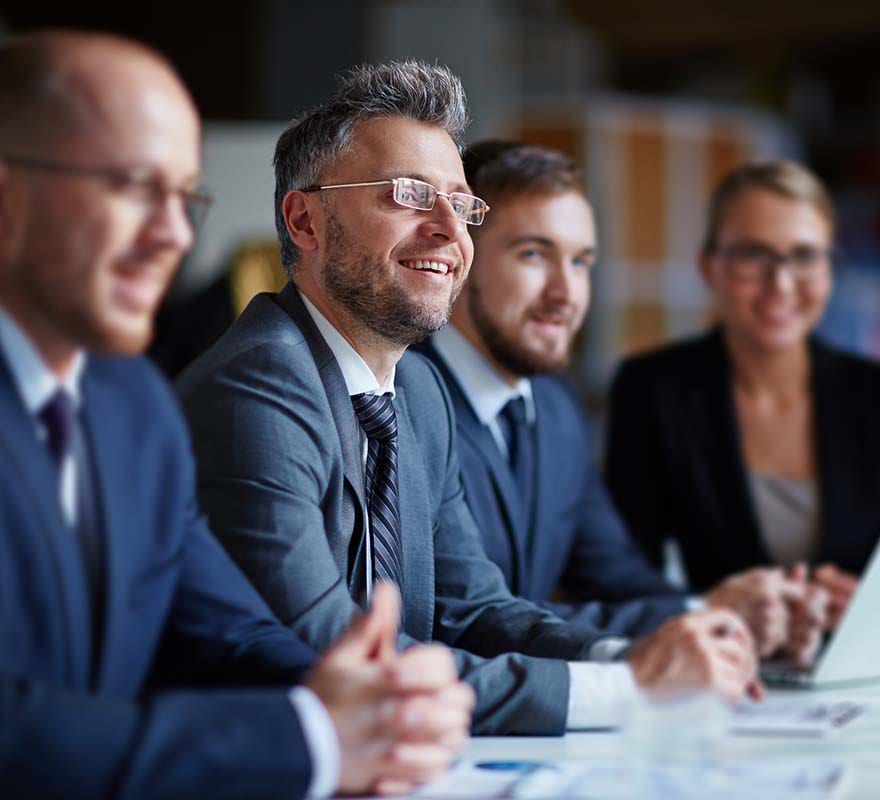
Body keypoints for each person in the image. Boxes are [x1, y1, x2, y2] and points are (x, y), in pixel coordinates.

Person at [178, 60, 760, 738]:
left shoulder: (418, 391)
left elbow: (474, 609)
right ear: (305, 222)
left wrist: (634, 661)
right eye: (407, 195)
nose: (450, 233)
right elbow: (339, 660)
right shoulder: (259, 387)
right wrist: (627, 694)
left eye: (459, 204)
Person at [0, 30, 473, 799]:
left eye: (183, 197)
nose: (174, 236)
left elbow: (225, 629)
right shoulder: (244, 381)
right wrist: (311, 739)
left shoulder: (131, 404)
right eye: (130, 187)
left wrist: (372, 703)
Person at [418, 140, 825, 662]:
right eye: (533, 255)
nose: (566, 293)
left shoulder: (558, 410)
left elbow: (616, 578)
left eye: (582, 261)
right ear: (459, 256)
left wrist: (730, 616)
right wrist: (699, 619)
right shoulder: (403, 396)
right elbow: (466, 618)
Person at [607, 160, 877, 634]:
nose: (782, 283)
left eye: (805, 255)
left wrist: (870, 612)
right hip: (723, 667)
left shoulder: (872, 394)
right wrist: (709, 608)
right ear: (709, 266)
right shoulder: (653, 388)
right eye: (754, 254)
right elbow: (620, 572)